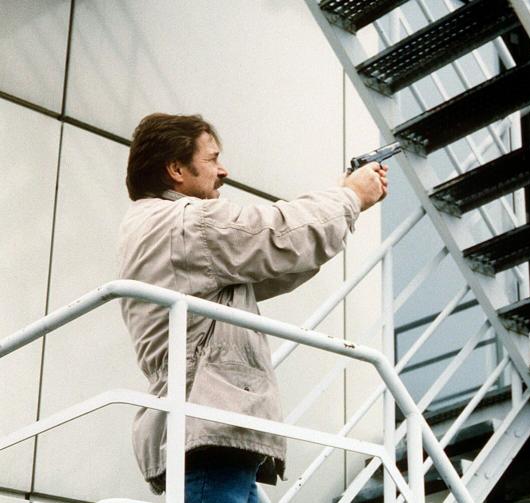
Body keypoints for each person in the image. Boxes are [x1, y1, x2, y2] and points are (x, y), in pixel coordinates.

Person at [118, 113, 388, 500]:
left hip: (206, 424)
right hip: (210, 421)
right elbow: (283, 232)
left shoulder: (159, 225)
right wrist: (350, 197)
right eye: (212, 158)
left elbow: (283, 260)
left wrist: (346, 201)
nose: (223, 171)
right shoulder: (189, 222)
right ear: (176, 169)